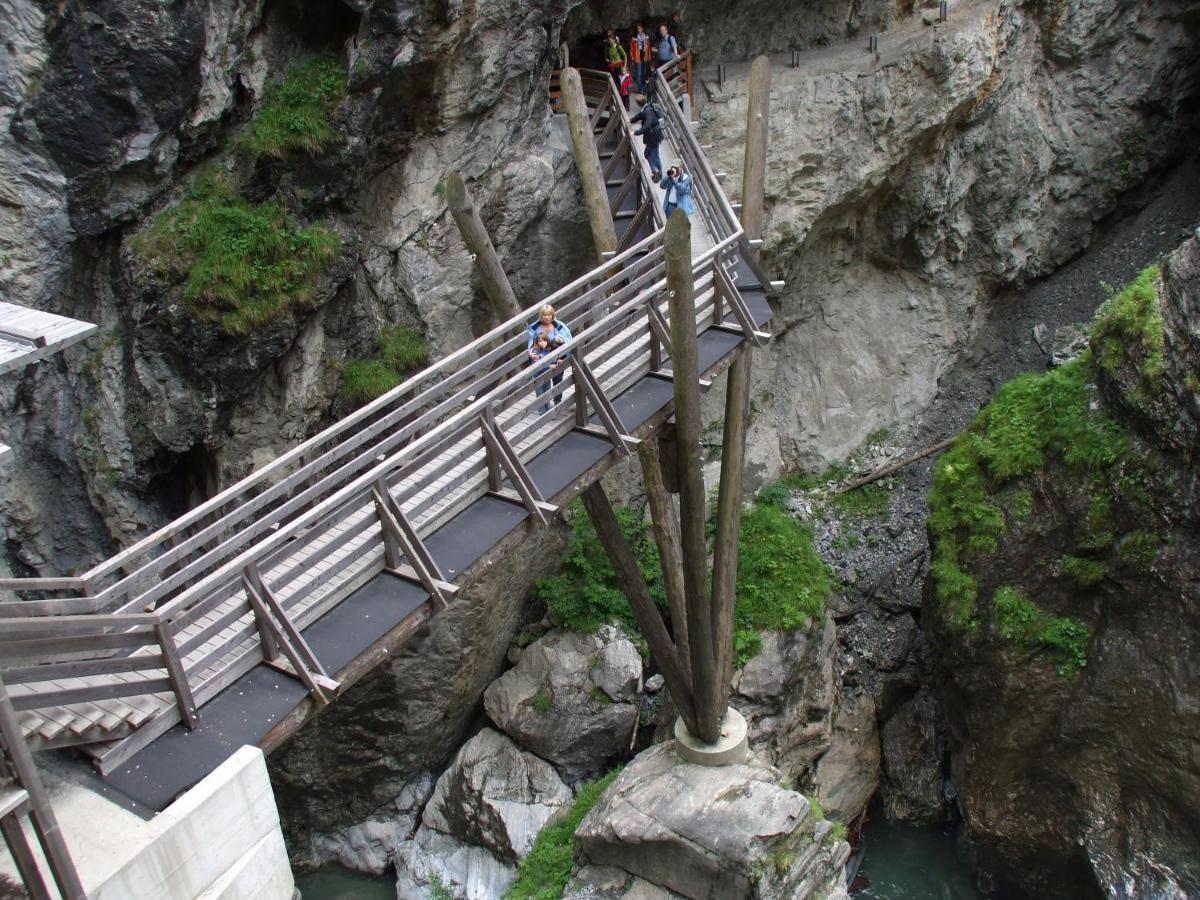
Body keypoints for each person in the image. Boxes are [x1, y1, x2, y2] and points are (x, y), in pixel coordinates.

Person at [526, 304, 573, 408]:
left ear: (552, 315)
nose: (547, 317)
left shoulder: (559, 327)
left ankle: (557, 402)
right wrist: (530, 352)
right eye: (545, 315)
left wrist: (562, 344)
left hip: (557, 360)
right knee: (543, 383)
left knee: (558, 380)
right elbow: (531, 343)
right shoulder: (536, 328)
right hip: (542, 360)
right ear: (541, 316)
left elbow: (568, 340)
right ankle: (544, 407)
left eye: (549, 315)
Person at [631, 100, 664, 180]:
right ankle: (656, 171)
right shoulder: (647, 108)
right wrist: (631, 120)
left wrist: (636, 132)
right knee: (648, 154)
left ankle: (658, 173)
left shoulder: (648, 112)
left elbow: (647, 125)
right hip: (652, 136)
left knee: (654, 156)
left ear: (638, 104)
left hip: (653, 137)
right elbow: (639, 116)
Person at [528, 333, 559, 415]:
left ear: (547, 341)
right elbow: (538, 365)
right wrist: (549, 367)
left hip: (547, 376)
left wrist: (556, 362)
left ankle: (547, 409)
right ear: (537, 343)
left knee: (547, 393)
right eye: (540, 341)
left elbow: (551, 359)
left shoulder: (548, 350)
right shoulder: (535, 352)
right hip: (537, 376)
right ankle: (542, 412)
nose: (542, 343)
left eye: (544, 341)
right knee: (540, 394)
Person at [629, 23, 650, 93]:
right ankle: (641, 88)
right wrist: (632, 58)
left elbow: (648, 48)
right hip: (637, 57)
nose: (639, 30)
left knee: (644, 73)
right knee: (639, 74)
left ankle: (643, 88)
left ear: (642, 29)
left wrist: (648, 57)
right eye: (638, 29)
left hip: (644, 56)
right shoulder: (634, 38)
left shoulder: (646, 37)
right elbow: (631, 49)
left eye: (640, 28)